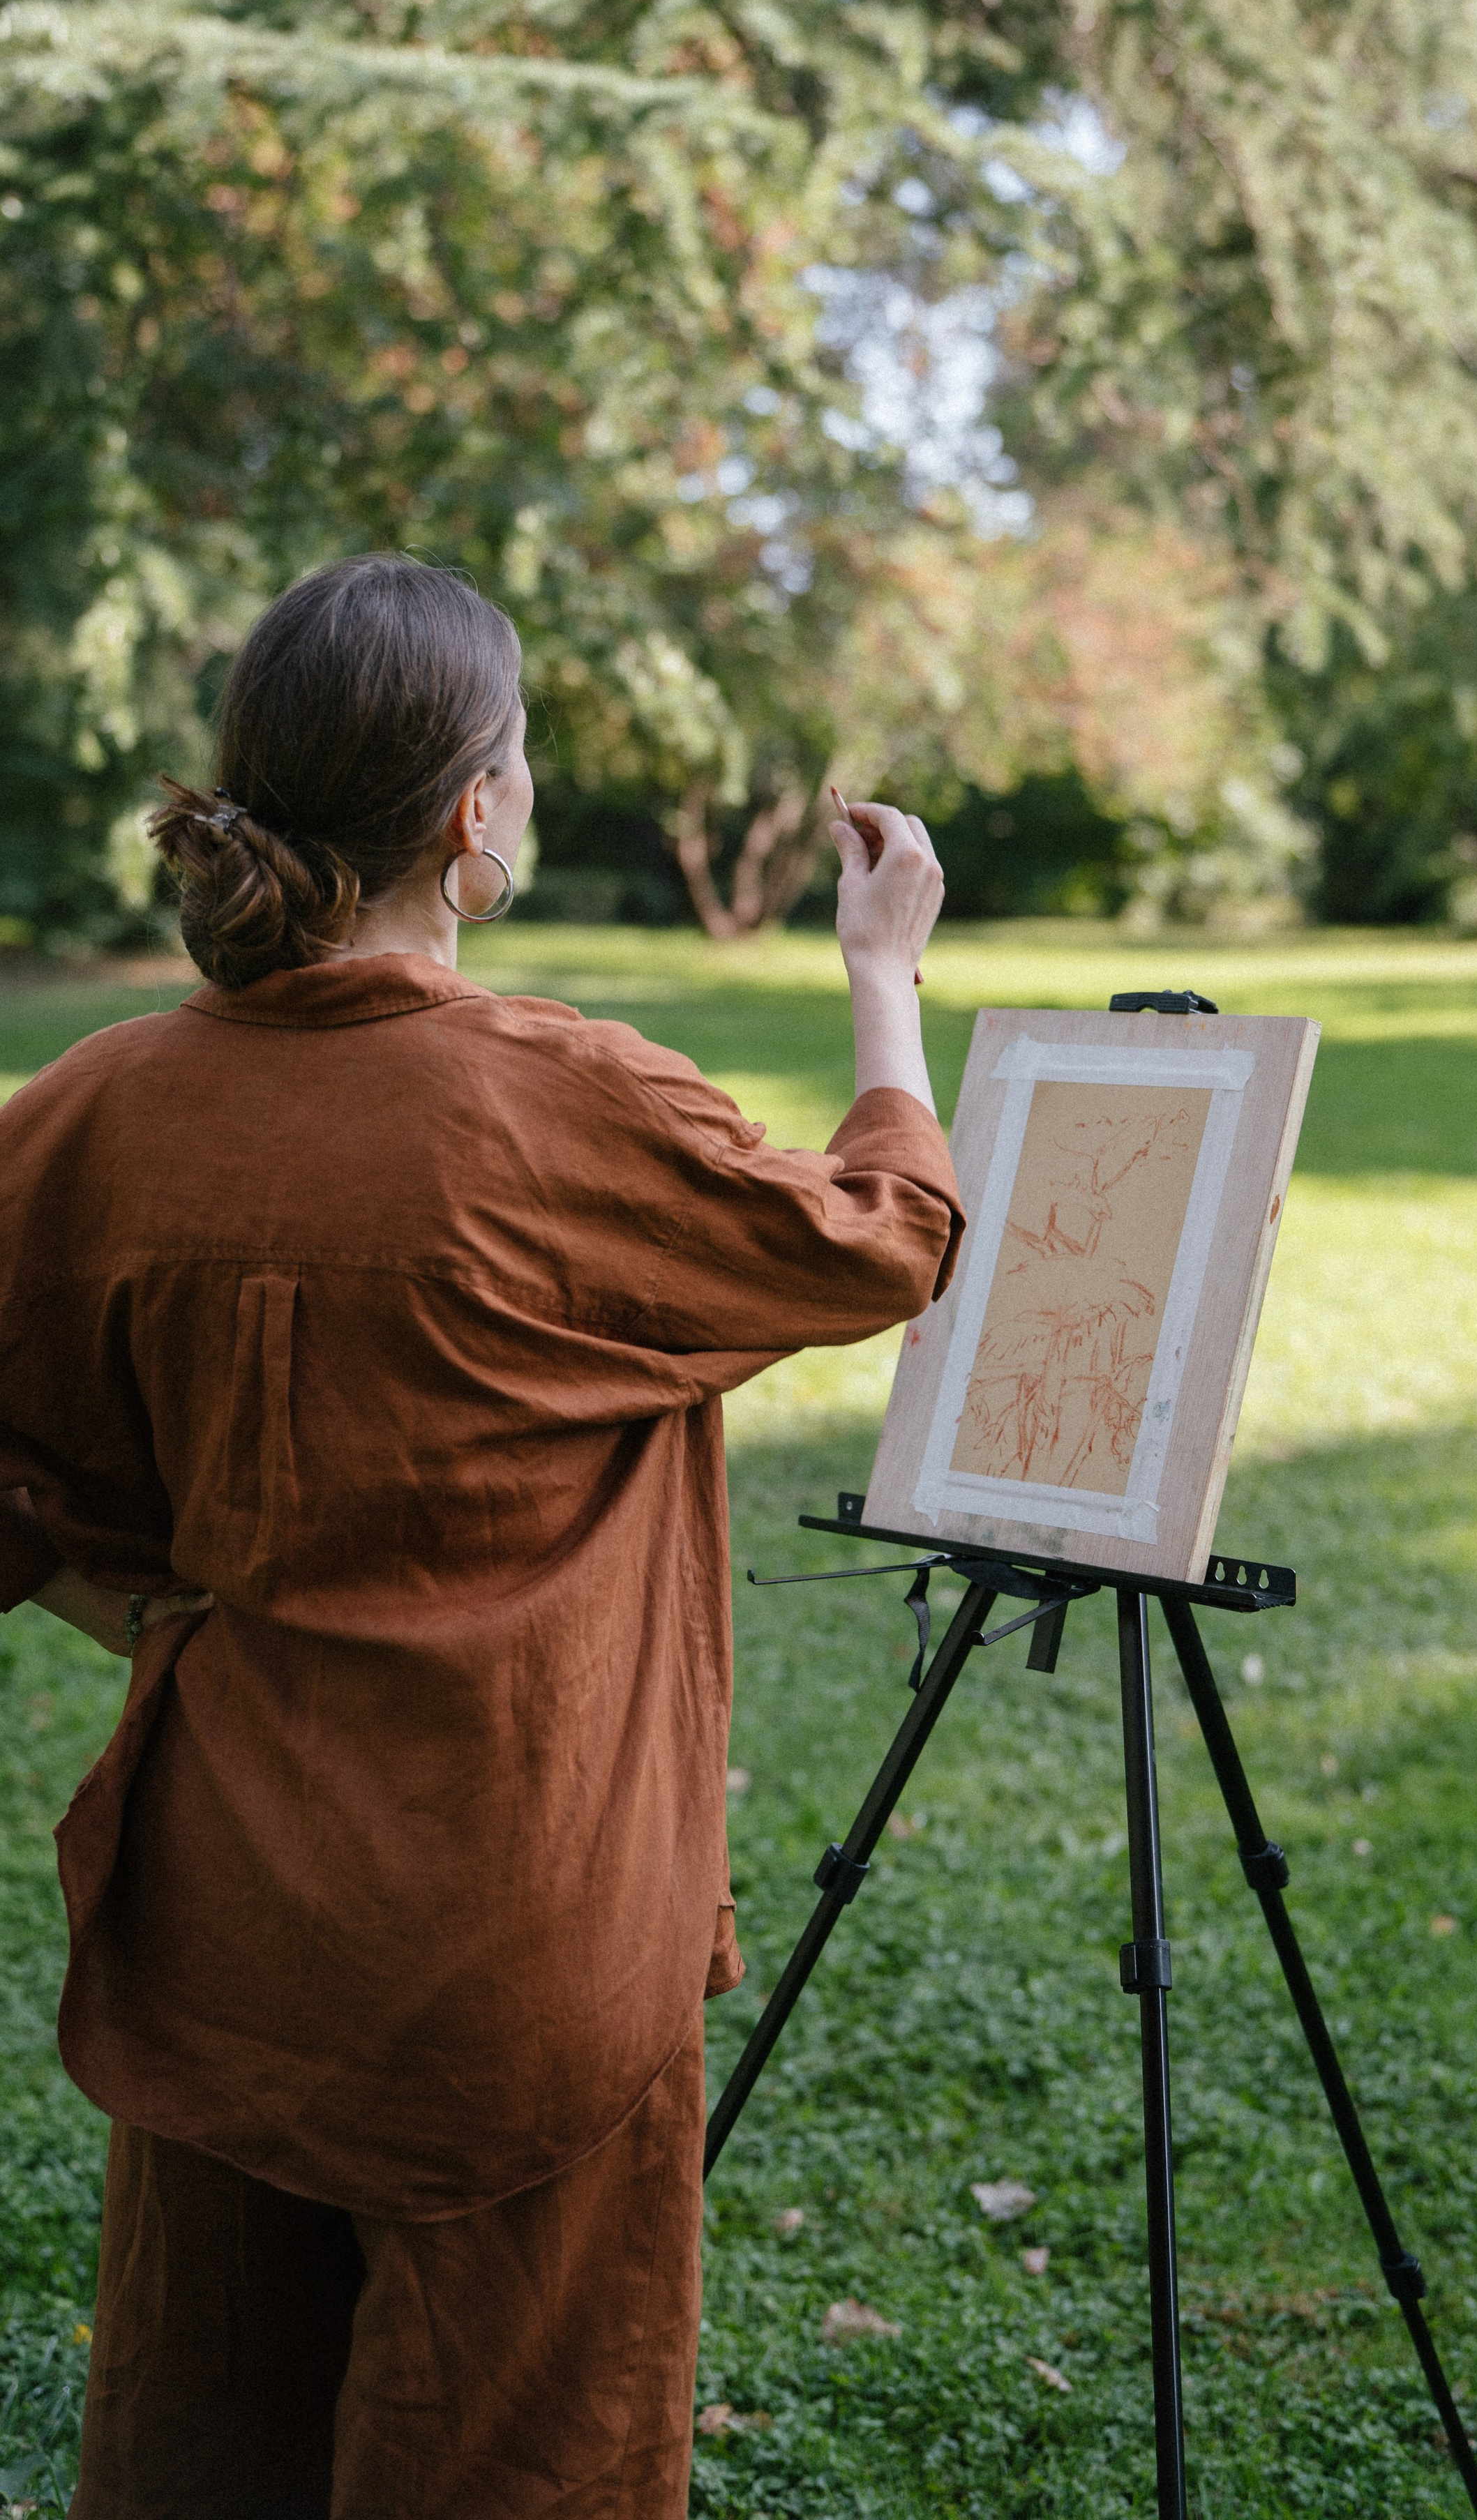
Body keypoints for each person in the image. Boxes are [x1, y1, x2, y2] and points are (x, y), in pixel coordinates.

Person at [0, 553, 960, 2520]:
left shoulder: (91, 1109)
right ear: (476, 813)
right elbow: (889, 1241)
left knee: (207, 2444)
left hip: (230, 1917)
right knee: (516, 2461)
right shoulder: (565, 1104)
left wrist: (128, 1602)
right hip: (515, 1954)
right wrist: (886, 979)